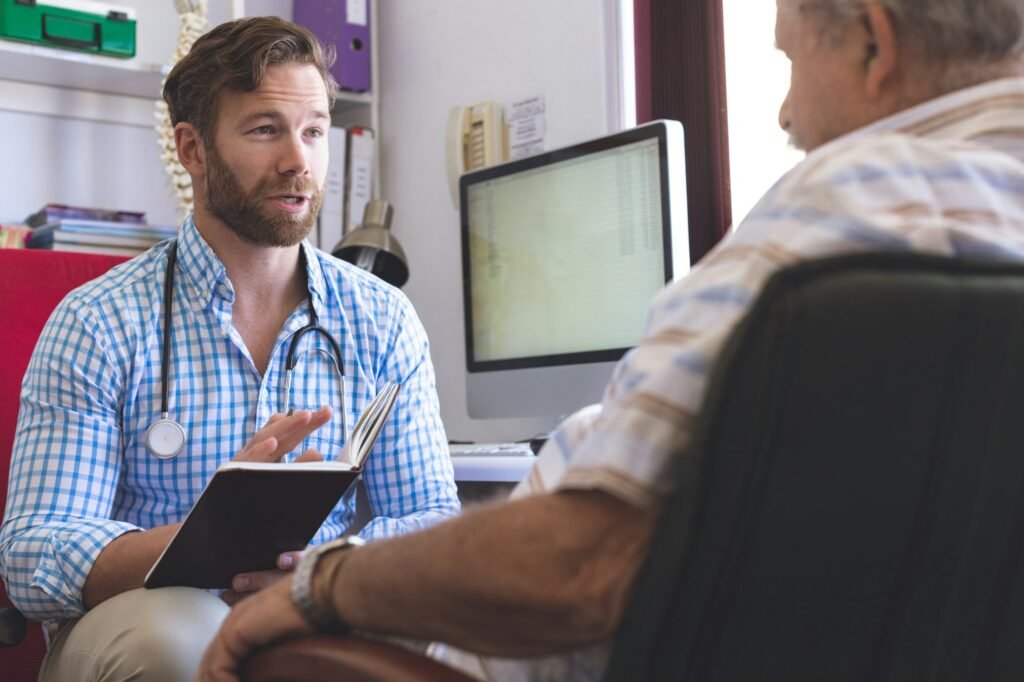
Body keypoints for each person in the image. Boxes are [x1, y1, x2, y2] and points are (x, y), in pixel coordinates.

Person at [198, 1, 1024, 681]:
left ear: (874, 43)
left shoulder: (840, 215)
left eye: (788, 63)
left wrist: (320, 585)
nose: (783, 112)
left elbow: (579, 570)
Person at [0, 16, 459, 682]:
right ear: (192, 150)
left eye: (312, 131)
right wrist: (205, 542)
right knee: (179, 639)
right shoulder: (98, 321)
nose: (299, 161)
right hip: (145, 616)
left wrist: (320, 577)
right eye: (265, 129)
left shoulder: (381, 319)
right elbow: (32, 550)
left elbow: (429, 517)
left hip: (315, 607)